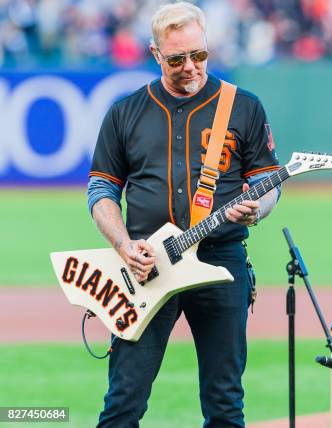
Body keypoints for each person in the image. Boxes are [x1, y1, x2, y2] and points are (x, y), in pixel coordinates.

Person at [87, 2, 280, 427]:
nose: (190, 67)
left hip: (220, 259)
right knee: (123, 400)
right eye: (176, 59)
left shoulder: (243, 106)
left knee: (225, 401)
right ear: (156, 55)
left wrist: (257, 211)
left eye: (199, 55)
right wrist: (122, 245)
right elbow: (101, 189)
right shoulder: (125, 111)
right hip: (145, 266)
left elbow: (270, 182)